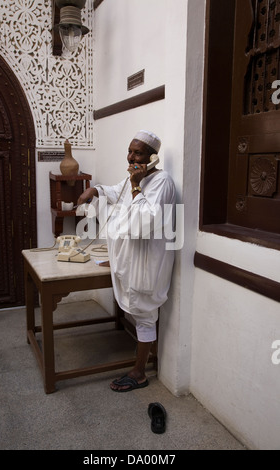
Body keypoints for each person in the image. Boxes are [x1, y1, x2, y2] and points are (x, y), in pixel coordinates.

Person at [77, 130, 176, 392]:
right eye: (130, 151)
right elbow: (114, 191)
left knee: (144, 314)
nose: (131, 156)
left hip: (145, 263)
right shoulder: (132, 178)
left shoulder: (161, 182)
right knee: (137, 310)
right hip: (127, 261)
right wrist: (95, 190)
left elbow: (144, 222)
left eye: (138, 152)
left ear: (152, 157)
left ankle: (139, 372)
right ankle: (139, 364)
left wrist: (136, 185)